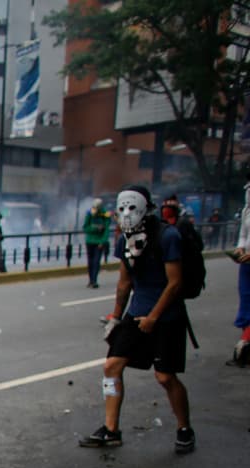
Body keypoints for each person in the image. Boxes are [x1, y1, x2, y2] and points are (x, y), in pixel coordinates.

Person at [79, 185, 195, 454]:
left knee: (165, 377)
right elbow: (124, 282)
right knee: (111, 366)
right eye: (121, 208)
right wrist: (116, 318)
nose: (126, 214)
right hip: (135, 313)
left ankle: (184, 428)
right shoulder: (124, 240)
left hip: (167, 317)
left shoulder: (168, 237)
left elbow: (175, 283)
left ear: (146, 208)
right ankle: (111, 431)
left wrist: (154, 317)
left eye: (132, 207)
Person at [228, 172, 250, 368]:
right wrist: (240, 247)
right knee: (246, 299)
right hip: (246, 263)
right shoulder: (247, 211)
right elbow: (244, 233)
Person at [83, 198, 113, 289]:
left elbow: (107, 230)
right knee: (90, 261)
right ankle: (90, 280)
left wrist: (102, 241)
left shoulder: (105, 215)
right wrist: (95, 229)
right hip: (90, 241)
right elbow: (85, 227)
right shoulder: (89, 214)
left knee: (96, 261)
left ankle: (94, 280)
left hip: (99, 242)